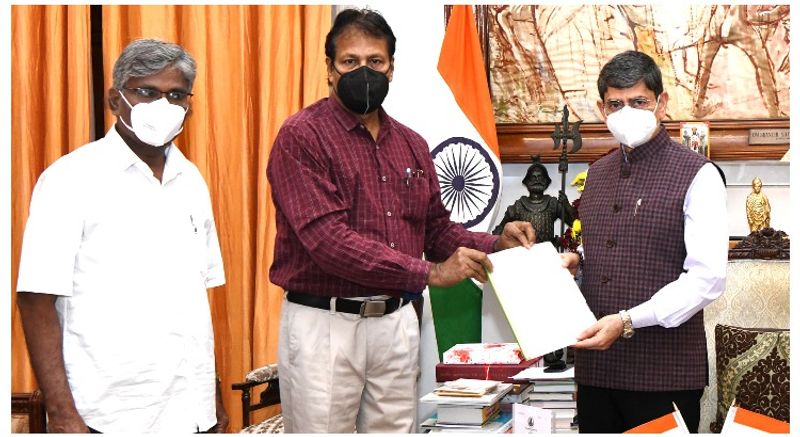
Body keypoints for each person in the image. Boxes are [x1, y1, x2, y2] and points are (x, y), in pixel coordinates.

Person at [266, 8, 535, 433]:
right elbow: (329, 241)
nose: (364, 71)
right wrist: (429, 273)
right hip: (326, 324)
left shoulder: (411, 144)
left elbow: (436, 230)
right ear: (330, 70)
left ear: (391, 68)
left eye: (375, 61)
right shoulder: (302, 136)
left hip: (395, 322)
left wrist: (495, 243)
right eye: (350, 61)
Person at [16, 39, 228, 433]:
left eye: (176, 95)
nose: (163, 105)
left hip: (189, 410)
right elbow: (35, 299)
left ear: (189, 107)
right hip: (107, 413)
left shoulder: (191, 181)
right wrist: (61, 413)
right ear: (115, 100)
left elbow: (195, 298)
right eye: (146, 92)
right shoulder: (69, 179)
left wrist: (210, 395)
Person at [563, 51, 728, 433]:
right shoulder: (597, 173)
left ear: (661, 103)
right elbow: (618, 241)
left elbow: (708, 278)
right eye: (615, 104)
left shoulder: (699, 174)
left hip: (663, 374)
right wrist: (579, 261)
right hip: (597, 373)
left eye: (638, 101)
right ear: (602, 109)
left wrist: (628, 320)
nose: (627, 112)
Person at [492, 155, 577, 247]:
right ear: (527, 182)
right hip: (526, 251)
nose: (537, 180)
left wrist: (566, 205)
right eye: (533, 178)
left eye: (540, 177)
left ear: (546, 181)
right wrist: (496, 244)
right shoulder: (518, 206)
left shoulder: (552, 204)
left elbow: (574, 223)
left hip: (548, 252)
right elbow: (500, 229)